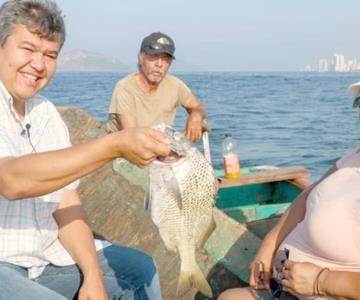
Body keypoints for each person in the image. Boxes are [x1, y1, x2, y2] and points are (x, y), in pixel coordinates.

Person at [0, 1, 171, 299]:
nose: (38, 65)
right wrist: (114, 145)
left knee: (140, 269)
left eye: (50, 55)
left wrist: (92, 277)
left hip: (44, 260)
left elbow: (66, 201)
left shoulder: (45, 114)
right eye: (27, 49)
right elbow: (11, 180)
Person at [218, 86, 360, 299]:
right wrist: (269, 245)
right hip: (283, 285)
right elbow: (309, 195)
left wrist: (321, 281)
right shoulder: (354, 155)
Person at [106, 32, 207, 142]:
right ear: (140, 58)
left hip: (157, 145)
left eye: (165, 59)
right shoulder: (125, 87)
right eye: (153, 57)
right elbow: (134, 138)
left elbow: (198, 106)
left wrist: (196, 115)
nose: (159, 64)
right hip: (124, 150)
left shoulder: (175, 85)